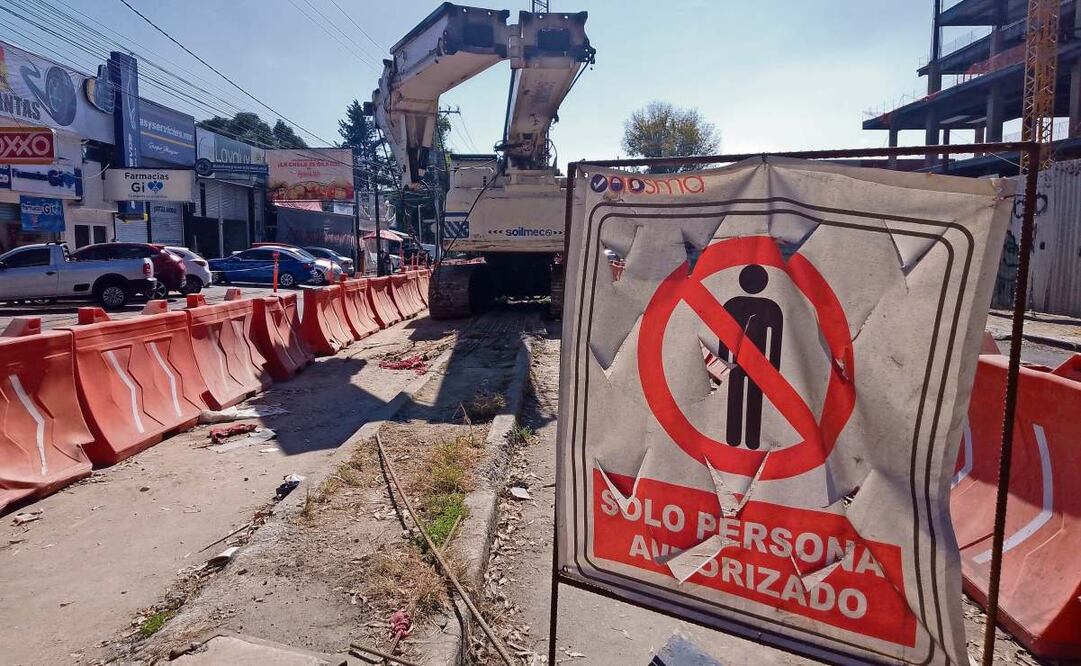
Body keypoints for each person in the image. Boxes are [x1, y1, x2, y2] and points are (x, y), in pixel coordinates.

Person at [718, 264, 783, 450]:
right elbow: (775, 342)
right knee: (750, 400)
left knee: (736, 399)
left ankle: (734, 439)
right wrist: (772, 369)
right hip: (757, 366)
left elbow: (723, 339)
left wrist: (724, 363)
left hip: (737, 364)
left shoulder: (732, 304)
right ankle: (749, 442)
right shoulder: (772, 307)